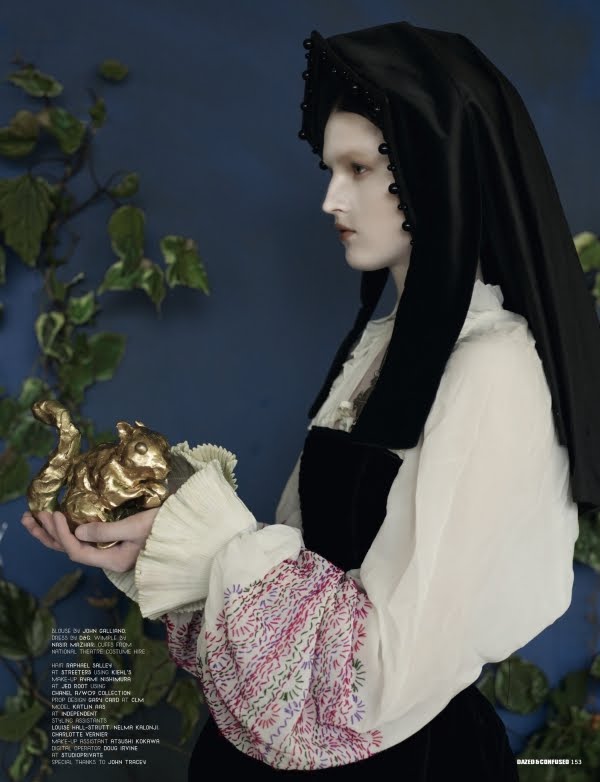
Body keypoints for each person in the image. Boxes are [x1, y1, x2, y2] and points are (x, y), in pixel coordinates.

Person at [21, 21, 600, 780]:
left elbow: (379, 670)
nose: (331, 198)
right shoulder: (378, 345)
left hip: (401, 758)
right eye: (331, 169)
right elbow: (302, 571)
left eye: (359, 168)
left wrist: (210, 543)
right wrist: (158, 544)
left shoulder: (494, 366)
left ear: (437, 173)